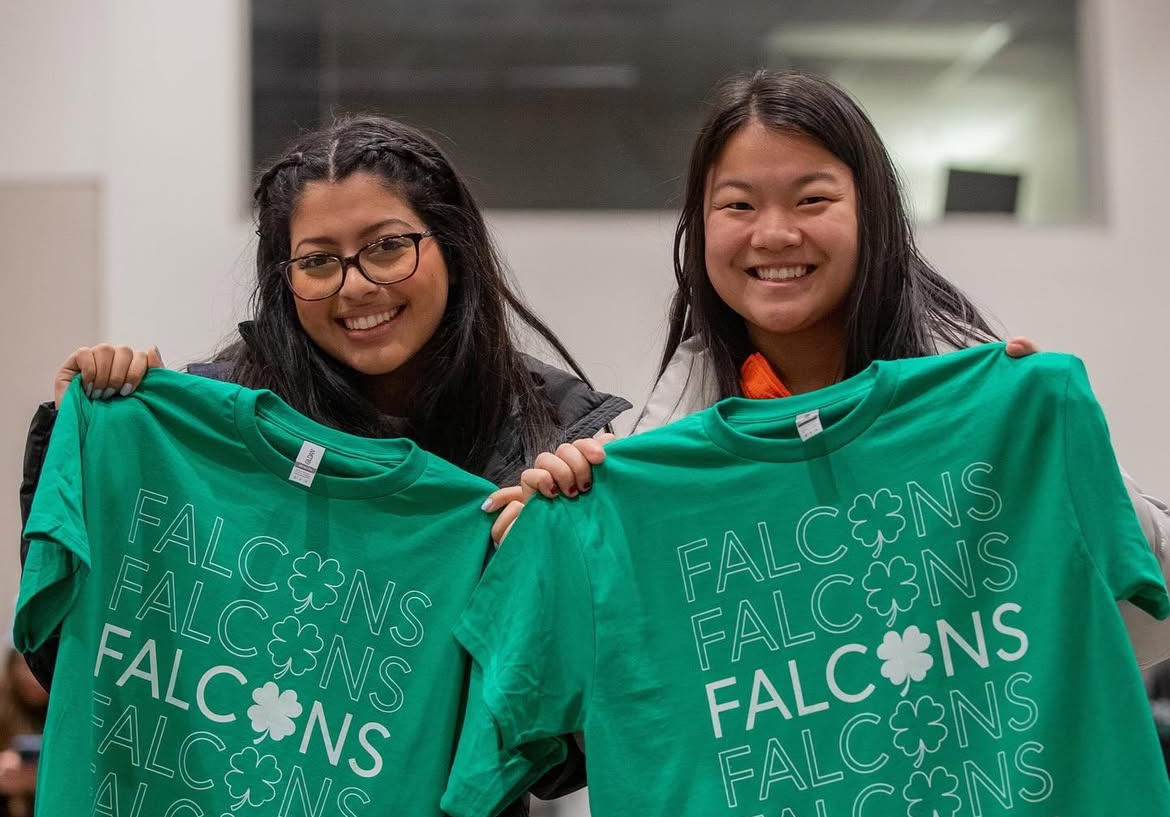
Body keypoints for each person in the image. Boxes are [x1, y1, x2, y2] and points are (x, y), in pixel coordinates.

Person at [17, 115, 629, 812]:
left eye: (388, 247)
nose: (357, 285)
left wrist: (567, 580)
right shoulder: (199, 431)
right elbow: (76, 660)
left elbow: (555, 757)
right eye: (318, 261)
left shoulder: (542, 443)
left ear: (451, 244)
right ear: (283, 277)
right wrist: (86, 445)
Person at [504, 69, 1170, 665]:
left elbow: (1144, 602)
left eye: (811, 200)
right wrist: (541, 546)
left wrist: (1051, 445)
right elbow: (601, 682)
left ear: (872, 213)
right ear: (699, 229)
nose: (773, 234)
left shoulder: (984, 399)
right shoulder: (651, 460)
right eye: (737, 205)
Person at [0, 641, 45, 817]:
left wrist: (37, 779)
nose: (32, 679)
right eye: (25, 668)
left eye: (38, 670)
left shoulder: (70, 714)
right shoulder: (4, 708)